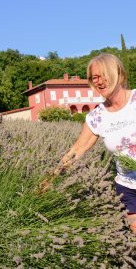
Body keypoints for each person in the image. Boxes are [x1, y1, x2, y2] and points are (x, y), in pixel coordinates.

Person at [58, 53, 136, 233]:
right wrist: (51, 176)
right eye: (95, 78)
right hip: (128, 189)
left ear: (119, 74)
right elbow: (77, 150)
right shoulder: (97, 116)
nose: (99, 81)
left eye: (103, 75)